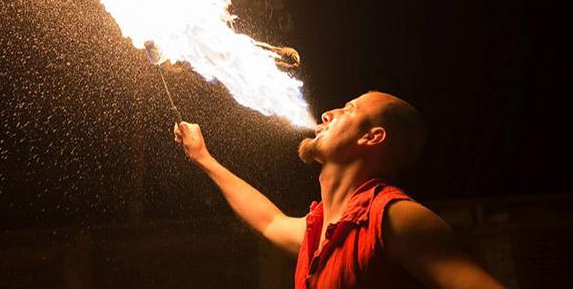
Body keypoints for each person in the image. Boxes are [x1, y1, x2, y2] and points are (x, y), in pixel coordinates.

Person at [173, 91, 503, 288]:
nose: (329, 113)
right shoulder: (322, 232)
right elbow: (269, 221)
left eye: (349, 110)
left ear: (371, 138)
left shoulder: (396, 219)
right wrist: (203, 158)